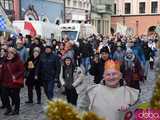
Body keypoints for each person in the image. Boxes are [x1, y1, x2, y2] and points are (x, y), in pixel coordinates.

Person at [2, 47, 24, 115]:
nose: (10, 54)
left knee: (15, 96)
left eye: (11, 53)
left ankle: (16, 110)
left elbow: (22, 71)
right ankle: (8, 108)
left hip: (15, 82)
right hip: (5, 81)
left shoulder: (18, 61)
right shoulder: (5, 60)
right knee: (4, 96)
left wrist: (16, 76)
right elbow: (3, 70)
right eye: (8, 52)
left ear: (14, 54)